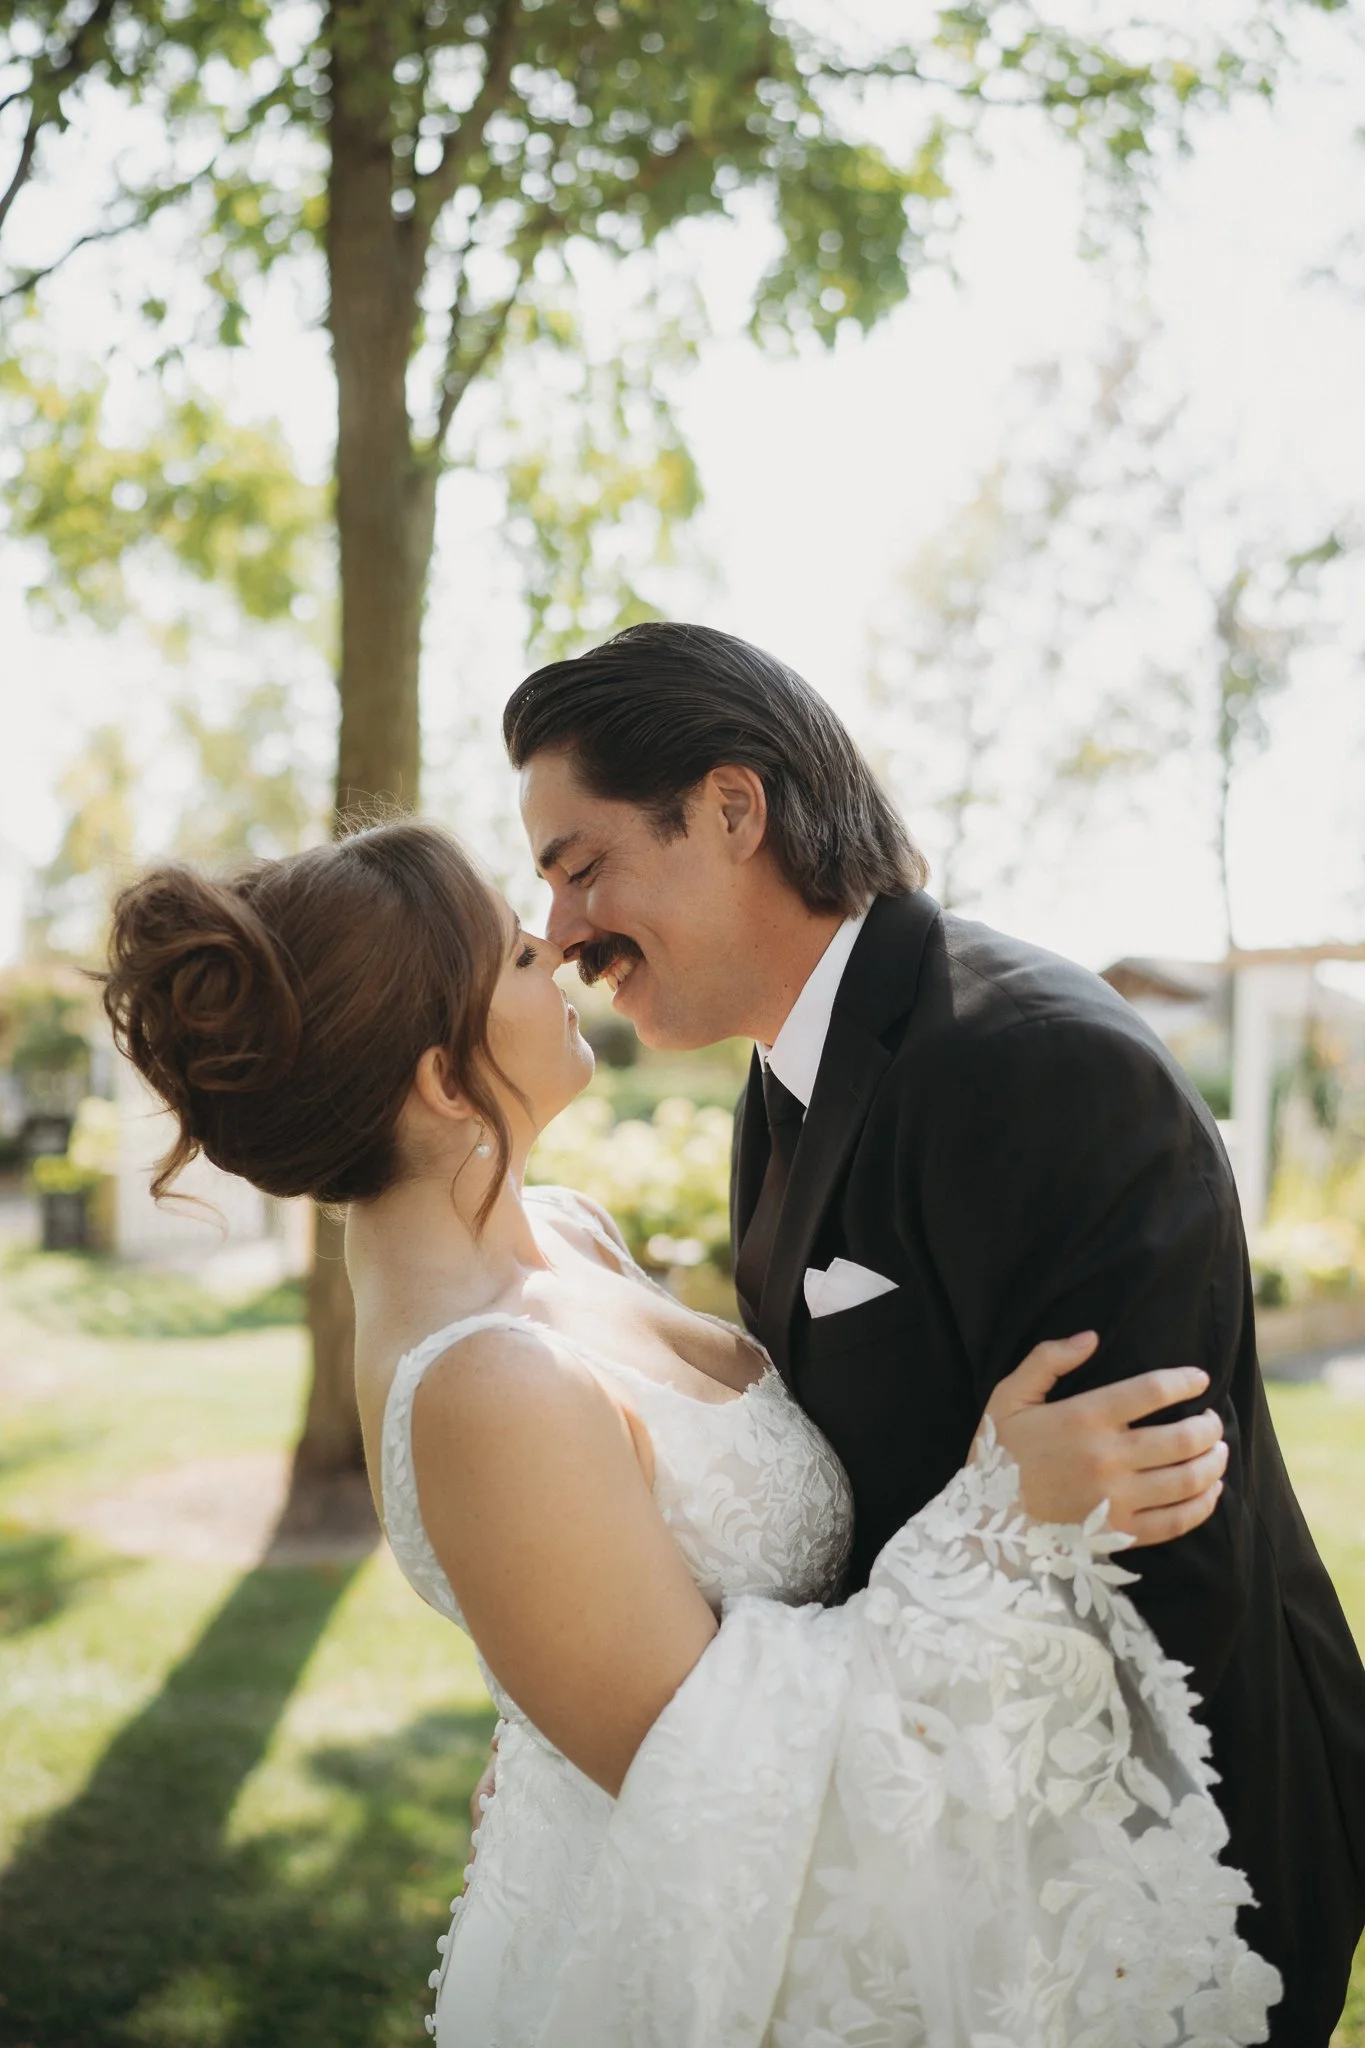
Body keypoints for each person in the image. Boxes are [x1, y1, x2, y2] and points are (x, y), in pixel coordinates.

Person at [103, 820, 1278, 2046]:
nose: (559, 950)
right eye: (514, 955)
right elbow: (718, 1780)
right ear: (447, 1083)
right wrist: (1001, 1513)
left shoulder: (564, 1229)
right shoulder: (485, 1386)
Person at [504, 619, 1365, 2047]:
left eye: (579, 863)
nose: (556, 931)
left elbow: (1140, 1528)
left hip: (1165, 1856)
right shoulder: (777, 1088)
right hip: (961, 1836)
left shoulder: (1035, 1065)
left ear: (731, 809)